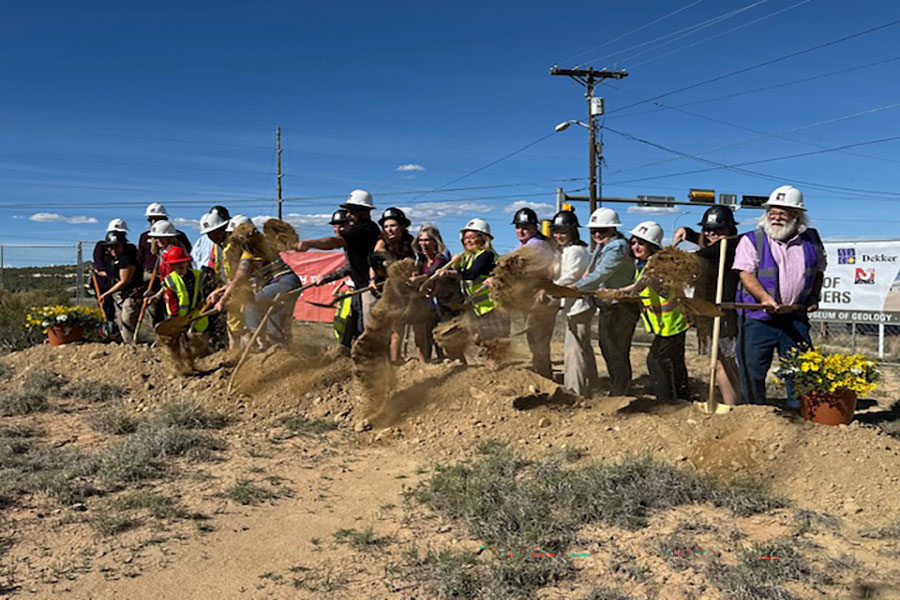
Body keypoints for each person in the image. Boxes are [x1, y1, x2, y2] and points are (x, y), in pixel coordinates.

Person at [733, 185, 825, 408]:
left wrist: (813, 297)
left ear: (797, 216)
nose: (775, 217)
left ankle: (799, 413)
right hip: (758, 318)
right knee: (752, 368)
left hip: (794, 317)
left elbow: (819, 271)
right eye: (772, 212)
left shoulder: (811, 241)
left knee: (800, 369)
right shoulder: (751, 240)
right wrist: (764, 298)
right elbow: (746, 274)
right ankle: (754, 412)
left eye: (782, 213)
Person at [673, 205, 742, 406]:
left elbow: (709, 251)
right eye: (708, 229)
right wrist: (690, 233)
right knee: (726, 362)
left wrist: (672, 256)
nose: (712, 233)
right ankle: (737, 402)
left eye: (718, 229)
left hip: (723, 312)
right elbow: (708, 244)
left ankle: (730, 406)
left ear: (730, 229)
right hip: (709, 311)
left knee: (720, 363)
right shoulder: (716, 245)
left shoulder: (729, 246)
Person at [295, 189, 381, 345]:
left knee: (368, 332)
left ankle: (374, 366)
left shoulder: (363, 230)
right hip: (361, 287)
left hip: (371, 288)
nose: (348, 215)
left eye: (352, 211)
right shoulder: (364, 230)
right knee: (355, 328)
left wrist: (309, 244)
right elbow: (350, 267)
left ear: (364, 211)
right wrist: (327, 278)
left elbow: (334, 242)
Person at [620, 221, 691, 403]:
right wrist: (625, 290)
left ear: (651, 245)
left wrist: (650, 283)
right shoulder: (644, 265)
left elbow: (664, 289)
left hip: (671, 322)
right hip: (666, 323)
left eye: (641, 243)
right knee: (675, 361)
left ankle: (665, 402)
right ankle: (683, 398)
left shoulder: (660, 265)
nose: (636, 246)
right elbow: (639, 285)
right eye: (633, 242)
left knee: (656, 360)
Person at [571, 208, 638, 396]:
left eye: (602, 230)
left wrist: (575, 288)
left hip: (622, 305)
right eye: (594, 230)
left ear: (613, 228)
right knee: (608, 347)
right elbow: (592, 272)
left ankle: (620, 392)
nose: (597, 234)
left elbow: (602, 273)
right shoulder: (603, 246)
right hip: (610, 305)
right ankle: (618, 388)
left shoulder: (617, 247)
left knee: (616, 350)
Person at [213, 222, 301, 351]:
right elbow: (238, 280)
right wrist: (220, 291)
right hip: (290, 283)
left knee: (252, 306)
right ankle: (282, 352)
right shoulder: (262, 246)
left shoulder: (249, 254)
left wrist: (223, 299)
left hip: (282, 283)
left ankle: (259, 344)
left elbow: (239, 278)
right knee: (274, 321)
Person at [439, 218, 509, 356]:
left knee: (492, 341)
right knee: (480, 339)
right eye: (465, 238)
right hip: (476, 308)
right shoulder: (467, 258)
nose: (468, 241)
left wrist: (450, 273)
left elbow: (472, 273)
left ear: (483, 239)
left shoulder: (486, 255)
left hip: (492, 307)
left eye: (472, 237)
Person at [549, 210, 593, 396]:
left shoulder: (576, 251)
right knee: (583, 348)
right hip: (574, 306)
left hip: (579, 306)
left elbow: (570, 277)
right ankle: (592, 386)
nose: (559, 235)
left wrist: (548, 288)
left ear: (573, 232)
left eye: (563, 232)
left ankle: (575, 392)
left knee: (574, 351)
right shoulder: (568, 250)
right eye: (556, 231)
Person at [510, 207, 556, 379]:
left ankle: (545, 378)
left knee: (539, 342)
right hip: (530, 300)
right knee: (535, 341)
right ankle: (543, 376)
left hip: (541, 300)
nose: (521, 231)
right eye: (518, 227)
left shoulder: (537, 246)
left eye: (525, 227)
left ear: (534, 228)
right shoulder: (524, 245)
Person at [369, 207, 416, 364]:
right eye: (386, 226)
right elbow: (375, 260)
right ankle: (378, 361)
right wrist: (371, 279)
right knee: (380, 327)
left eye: (393, 225)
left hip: (402, 291)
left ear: (402, 226)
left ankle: (395, 362)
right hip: (383, 289)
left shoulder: (410, 243)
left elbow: (414, 264)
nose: (389, 229)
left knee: (398, 327)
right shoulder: (381, 242)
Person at [408, 224, 451, 363]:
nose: (423, 244)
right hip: (426, 304)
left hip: (444, 304)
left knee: (442, 338)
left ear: (435, 241)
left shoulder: (442, 258)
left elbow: (432, 272)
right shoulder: (420, 260)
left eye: (427, 240)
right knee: (424, 335)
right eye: (421, 240)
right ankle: (425, 365)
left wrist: (418, 279)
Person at [97, 231, 142, 343]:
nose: (113, 249)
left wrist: (106, 294)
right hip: (119, 297)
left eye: (116, 246)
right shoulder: (114, 260)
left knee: (127, 323)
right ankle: (127, 346)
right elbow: (111, 274)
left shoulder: (127, 260)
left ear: (123, 245)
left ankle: (132, 346)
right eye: (110, 247)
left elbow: (124, 280)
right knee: (120, 323)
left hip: (130, 296)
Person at [160, 247, 211, 334]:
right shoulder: (171, 280)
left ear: (187, 262)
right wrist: (175, 319)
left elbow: (203, 290)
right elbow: (172, 301)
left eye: (182, 262)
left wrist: (201, 300)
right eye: (176, 263)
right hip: (179, 318)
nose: (180, 265)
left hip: (196, 314)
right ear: (171, 266)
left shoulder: (198, 275)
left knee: (199, 337)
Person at [92, 218, 131, 329]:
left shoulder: (128, 249)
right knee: (107, 308)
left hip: (121, 285)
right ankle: (107, 330)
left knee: (123, 312)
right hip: (104, 284)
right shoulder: (101, 246)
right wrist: (107, 273)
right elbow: (100, 266)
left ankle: (120, 332)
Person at [191, 205, 229, 270]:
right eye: (209, 235)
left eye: (216, 233)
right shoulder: (215, 246)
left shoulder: (235, 243)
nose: (213, 237)